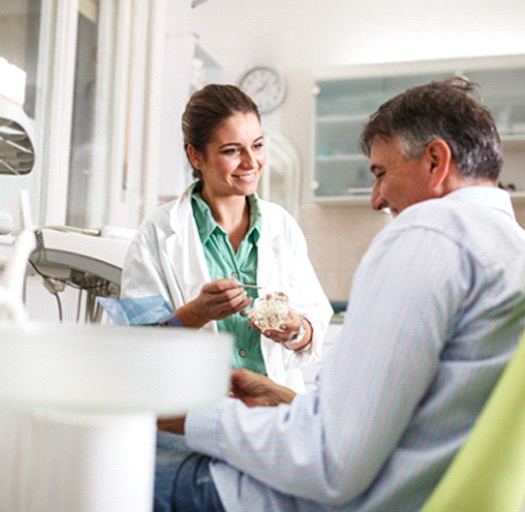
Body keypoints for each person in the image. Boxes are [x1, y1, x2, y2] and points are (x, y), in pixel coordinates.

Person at [152, 77, 525, 512]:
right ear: (197, 157)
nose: (376, 199)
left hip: (296, 496)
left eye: (381, 173)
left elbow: (328, 463)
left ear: (435, 161)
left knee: (100, 464)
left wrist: (196, 417)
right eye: (232, 149)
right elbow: (425, 421)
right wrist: (289, 401)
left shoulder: (428, 234)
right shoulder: (510, 248)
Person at [121, 84, 332, 393]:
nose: (251, 162)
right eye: (232, 150)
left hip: (272, 417)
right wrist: (197, 312)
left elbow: (315, 323)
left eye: (257, 145)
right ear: (196, 156)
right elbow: (135, 344)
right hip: (193, 416)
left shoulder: (281, 227)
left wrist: (296, 329)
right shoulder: (157, 233)